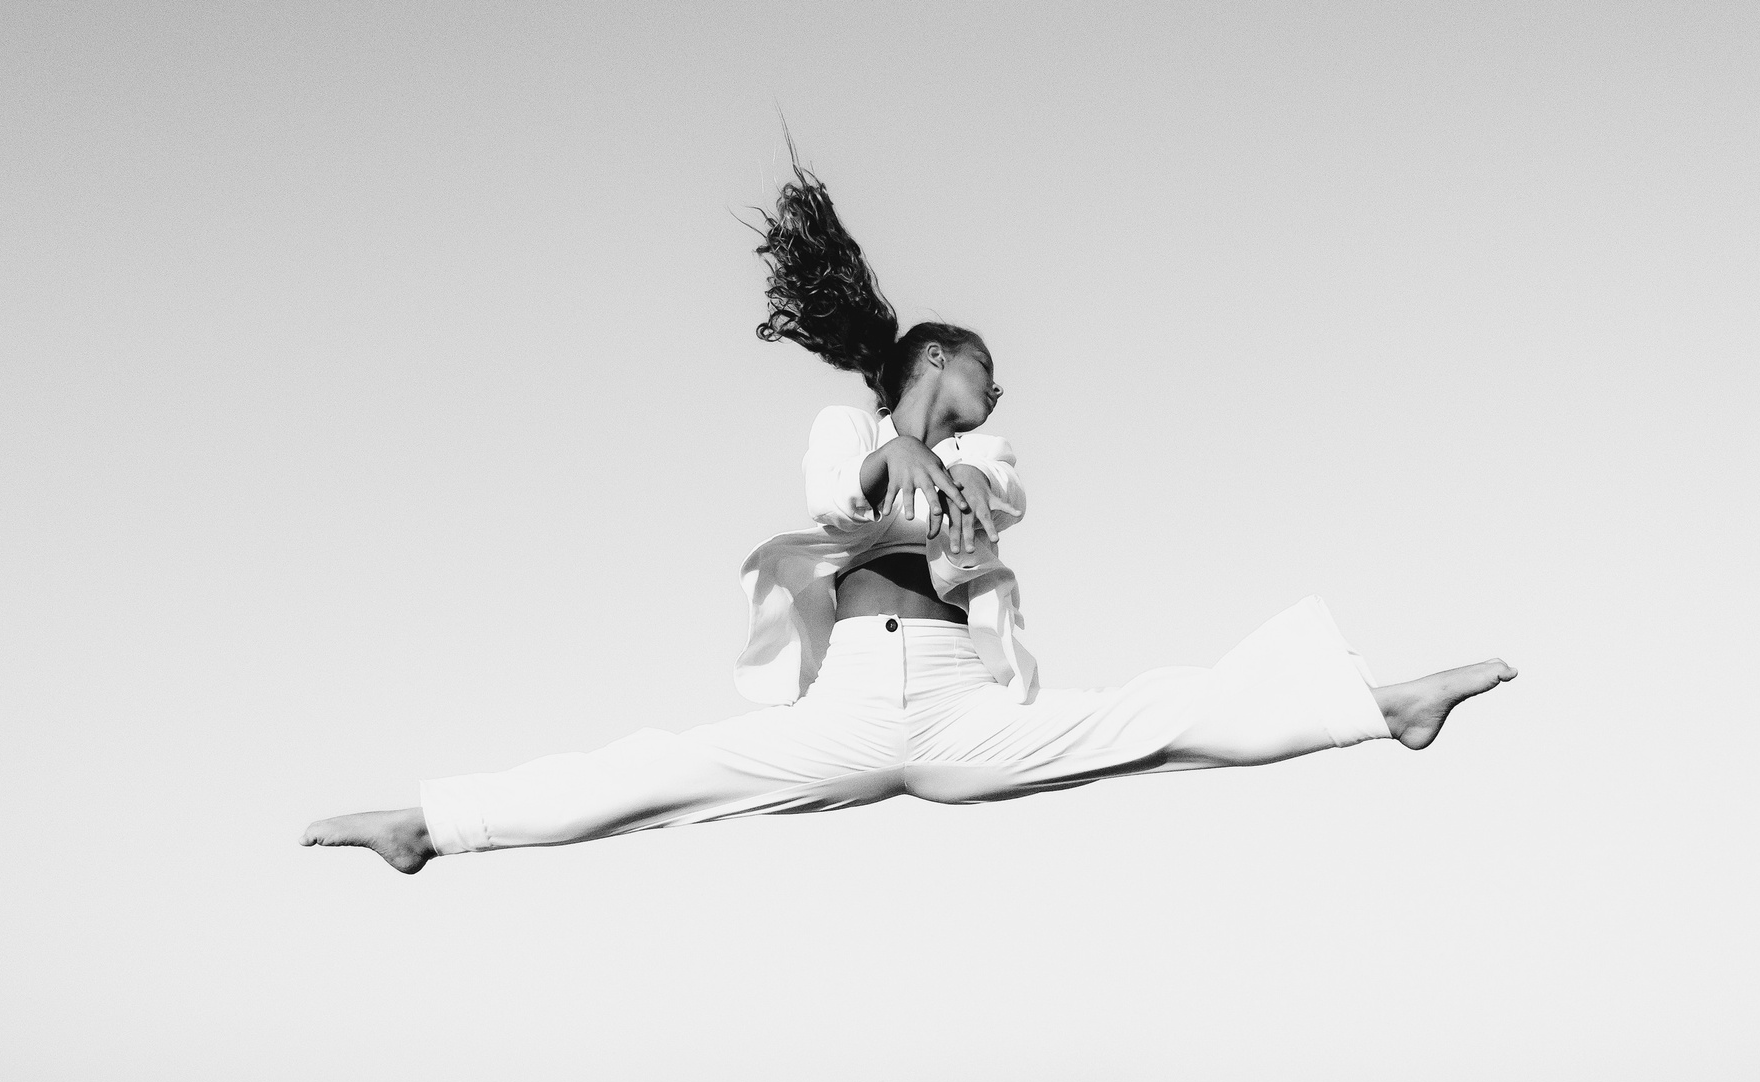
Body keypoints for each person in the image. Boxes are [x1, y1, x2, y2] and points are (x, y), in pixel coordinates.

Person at [303, 164, 1514, 875]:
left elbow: (973, 510)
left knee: (1157, 720)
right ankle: (427, 823)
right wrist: (887, 453)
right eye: (989, 369)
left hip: (955, 706)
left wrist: (913, 473)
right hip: (839, 714)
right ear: (940, 356)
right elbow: (840, 507)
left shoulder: (989, 451)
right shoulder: (844, 432)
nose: (1003, 390)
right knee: (652, 771)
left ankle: (1381, 707)